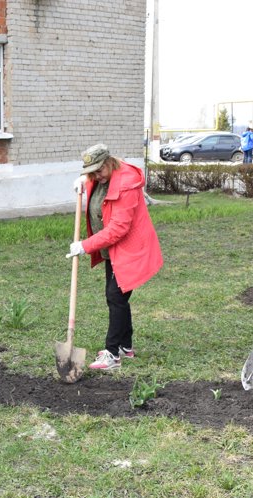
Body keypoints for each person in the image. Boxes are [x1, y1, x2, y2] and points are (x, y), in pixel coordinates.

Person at [66, 143, 164, 371]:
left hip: (130, 249)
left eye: (98, 171)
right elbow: (99, 186)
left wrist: (85, 245)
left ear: (110, 162)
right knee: (116, 297)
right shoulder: (101, 177)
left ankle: (112, 354)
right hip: (113, 250)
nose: (95, 175)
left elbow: (119, 228)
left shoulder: (126, 184)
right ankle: (125, 346)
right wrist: (85, 182)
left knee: (115, 296)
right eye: (91, 172)